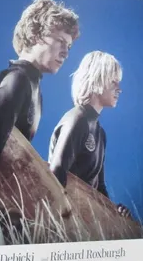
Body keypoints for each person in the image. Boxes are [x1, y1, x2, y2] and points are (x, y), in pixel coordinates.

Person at [0, 0, 79, 194]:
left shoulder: (35, 89)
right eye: (60, 41)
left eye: (69, 46)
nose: (66, 52)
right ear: (35, 35)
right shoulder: (17, 80)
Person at [49, 52, 127, 213]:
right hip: (66, 218)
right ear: (97, 80)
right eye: (114, 82)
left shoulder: (100, 133)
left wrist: (115, 211)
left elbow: (99, 187)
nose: (119, 89)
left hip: (84, 217)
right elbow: (56, 173)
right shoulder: (77, 120)